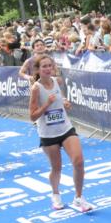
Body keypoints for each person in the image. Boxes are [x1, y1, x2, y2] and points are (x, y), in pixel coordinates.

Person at [28, 55, 92, 212]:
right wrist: (47, 105)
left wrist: (64, 102)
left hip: (65, 128)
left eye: (50, 65)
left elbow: (60, 97)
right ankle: (55, 195)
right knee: (56, 167)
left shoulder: (57, 81)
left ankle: (79, 198)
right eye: (44, 66)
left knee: (78, 161)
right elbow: (32, 116)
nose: (48, 68)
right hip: (48, 133)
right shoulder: (36, 88)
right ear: (38, 69)